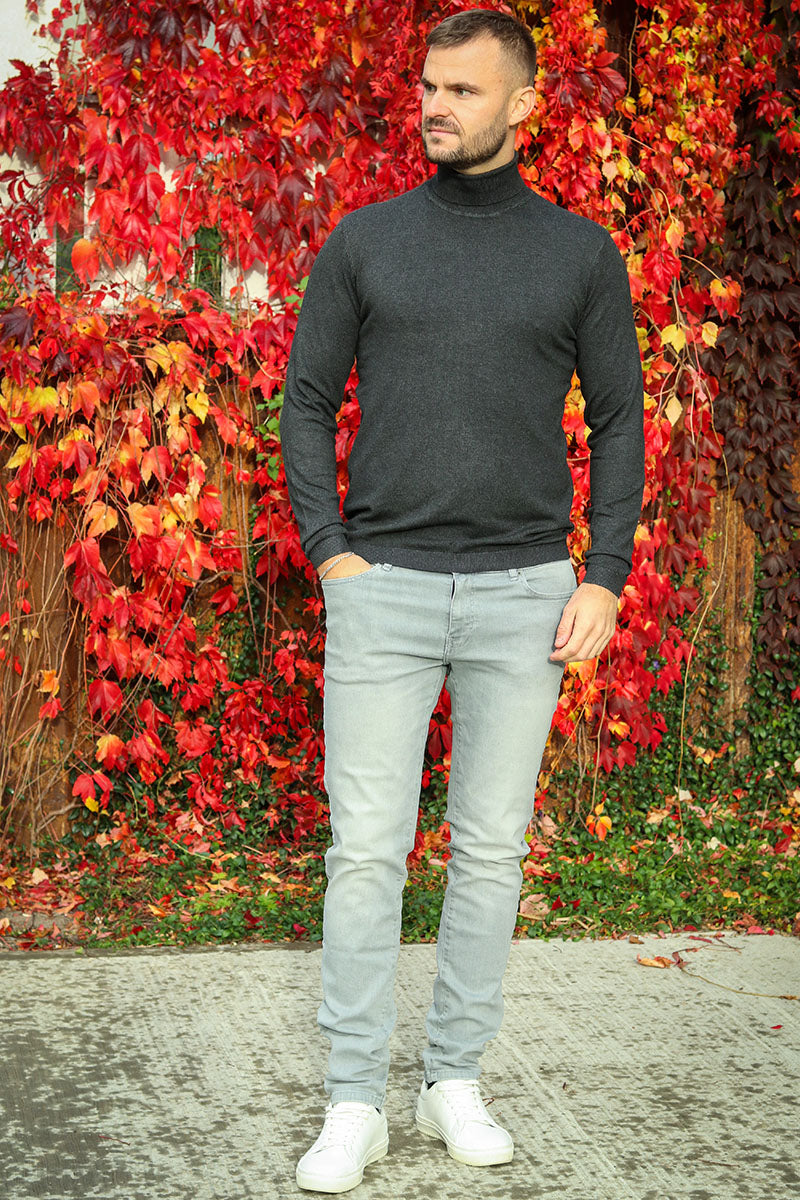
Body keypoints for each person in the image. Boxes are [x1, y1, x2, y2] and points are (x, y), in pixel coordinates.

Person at [279, 8, 644, 1193]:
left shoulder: (579, 255)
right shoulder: (365, 242)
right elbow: (303, 400)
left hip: (524, 594)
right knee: (364, 853)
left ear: (522, 104)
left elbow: (619, 420)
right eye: (427, 87)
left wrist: (601, 574)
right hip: (380, 590)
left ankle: (450, 1080)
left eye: (462, 90)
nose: (434, 106)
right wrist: (332, 554)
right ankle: (352, 1101)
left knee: (488, 853)